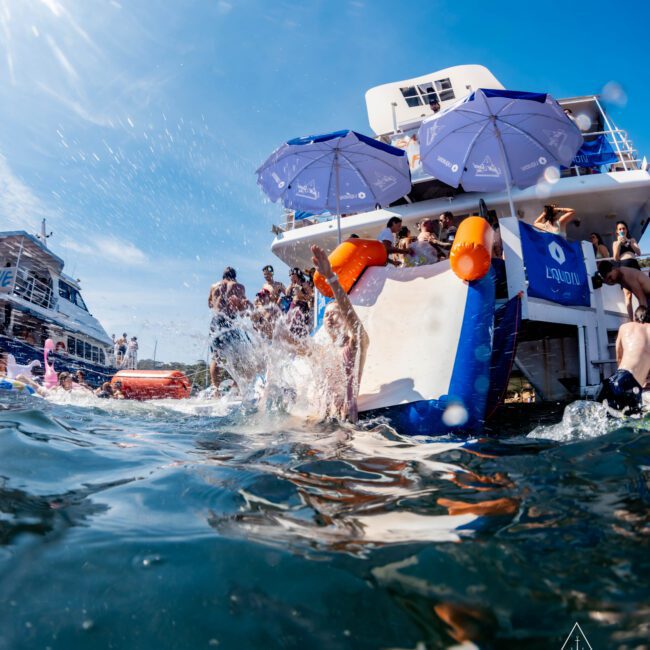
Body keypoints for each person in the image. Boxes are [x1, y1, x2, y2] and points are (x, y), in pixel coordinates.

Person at [310, 244, 369, 422]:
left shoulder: (355, 345)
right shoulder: (322, 351)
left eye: (335, 313)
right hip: (318, 422)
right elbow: (297, 347)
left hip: (345, 425)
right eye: (326, 315)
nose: (329, 317)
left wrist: (331, 278)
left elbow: (354, 324)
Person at [598, 306, 650, 414]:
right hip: (636, 387)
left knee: (603, 417)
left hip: (619, 378)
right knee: (633, 423)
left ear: (635, 318)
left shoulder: (624, 327)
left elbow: (619, 356)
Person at [208, 267, 249, 389]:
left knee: (216, 356)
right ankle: (235, 388)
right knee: (238, 355)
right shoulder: (239, 287)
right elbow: (242, 309)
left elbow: (210, 304)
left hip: (216, 320)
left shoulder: (214, 286)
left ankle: (216, 389)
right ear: (234, 276)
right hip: (229, 321)